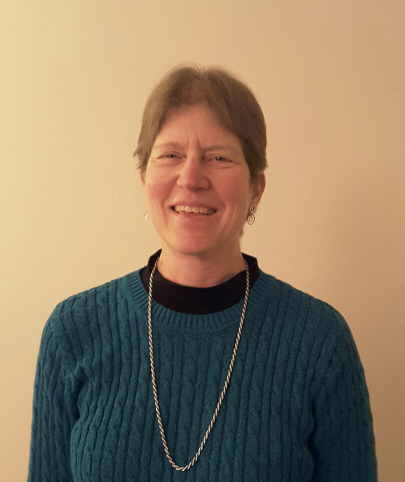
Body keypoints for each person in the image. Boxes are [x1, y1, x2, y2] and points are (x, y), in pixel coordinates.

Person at [28, 66, 377, 481]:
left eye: (218, 158)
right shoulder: (72, 332)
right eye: (170, 155)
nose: (191, 178)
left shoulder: (320, 341)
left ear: (256, 189)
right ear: (144, 179)